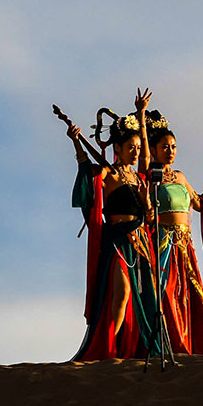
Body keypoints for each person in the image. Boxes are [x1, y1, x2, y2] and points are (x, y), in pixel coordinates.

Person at [70, 90, 159, 360]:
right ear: (117, 148)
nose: (135, 152)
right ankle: (106, 351)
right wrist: (76, 142)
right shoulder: (108, 174)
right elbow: (86, 170)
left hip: (140, 241)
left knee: (146, 299)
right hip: (117, 241)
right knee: (120, 295)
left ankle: (139, 350)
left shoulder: (140, 179)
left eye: (138, 148)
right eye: (130, 147)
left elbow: (152, 218)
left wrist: (146, 204)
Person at [140, 110, 203, 354]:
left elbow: (199, 204)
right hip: (162, 242)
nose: (171, 151)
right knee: (164, 293)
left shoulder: (180, 177)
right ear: (153, 149)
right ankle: (166, 344)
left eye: (174, 146)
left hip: (184, 245)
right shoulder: (149, 176)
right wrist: (141, 115)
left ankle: (188, 344)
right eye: (165, 146)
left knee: (187, 294)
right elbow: (143, 158)